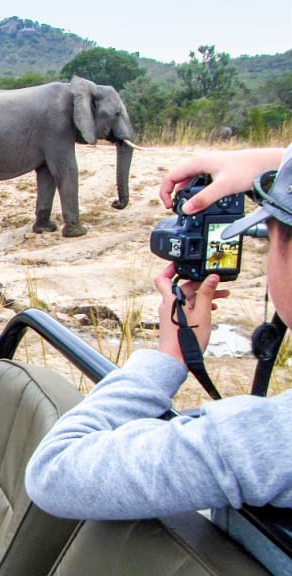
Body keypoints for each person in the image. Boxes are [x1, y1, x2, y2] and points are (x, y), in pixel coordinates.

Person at [25, 145, 292, 521]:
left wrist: (166, 360)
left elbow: (55, 472)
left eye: (268, 229)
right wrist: (274, 164)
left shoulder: (266, 442)